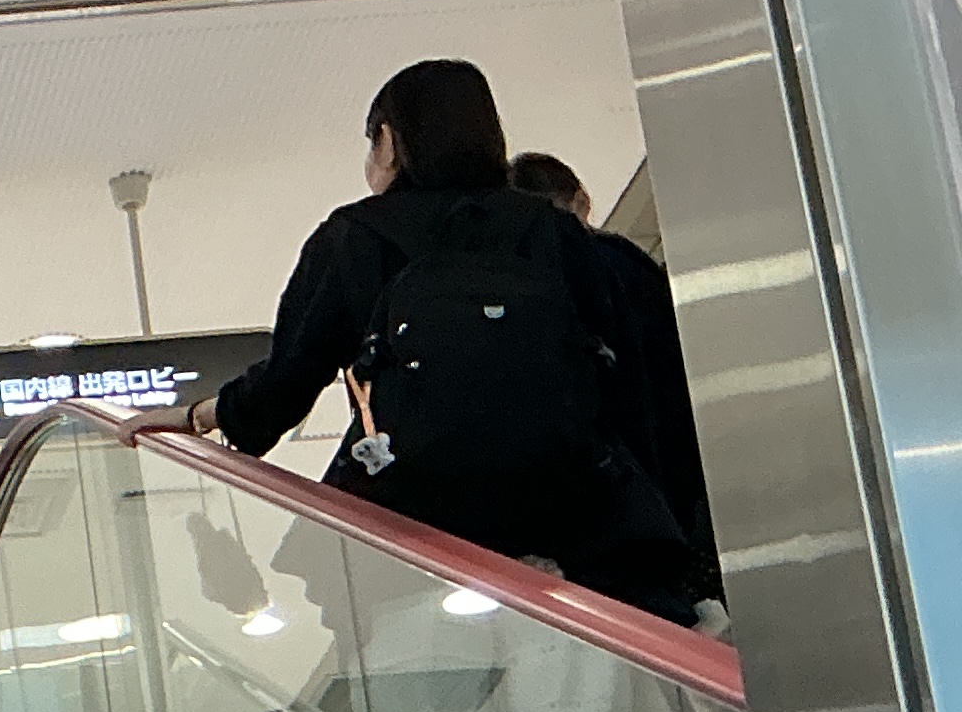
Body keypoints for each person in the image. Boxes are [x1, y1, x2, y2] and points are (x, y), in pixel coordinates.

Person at [183, 57, 698, 621]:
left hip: (408, 533)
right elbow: (628, 386)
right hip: (573, 526)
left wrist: (206, 415)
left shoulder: (354, 237)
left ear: (388, 142)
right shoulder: (555, 233)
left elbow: (286, 384)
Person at [509, 147, 723, 624]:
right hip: (676, 474)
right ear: (581, 199)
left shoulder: (534, 284)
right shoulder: (626, 265)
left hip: (609, 500)